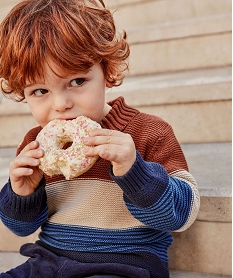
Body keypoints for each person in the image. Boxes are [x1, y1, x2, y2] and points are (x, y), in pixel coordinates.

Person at [0, 0, 200, 277]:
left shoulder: (148, 133)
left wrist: (135, 173)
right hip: (48, 261)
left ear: (108, 71)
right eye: (40, 91)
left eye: (77, 82)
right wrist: (21, 193)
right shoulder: (36, 144)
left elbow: (181, 215)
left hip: (125, 264)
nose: (61, 104)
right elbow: (20, 227)